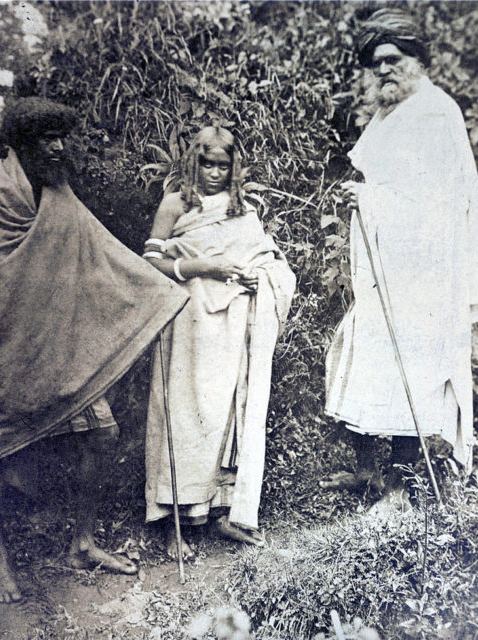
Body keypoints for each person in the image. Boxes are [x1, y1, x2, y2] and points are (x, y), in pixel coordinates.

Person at [0, 97, 188, 602]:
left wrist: (155, 295)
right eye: (46, 138)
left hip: (63, 342)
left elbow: (100, 250)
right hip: (5, 344)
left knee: (103, 434)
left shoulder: (58, 190)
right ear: (20, 144)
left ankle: (82, 542)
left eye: (60, 136)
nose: (58, 146)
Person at [321, 9, 478, 511]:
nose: (384, 71)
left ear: (418, 60)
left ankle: (397, 489)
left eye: (393, 60)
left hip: (425, 272)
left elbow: (438, 207)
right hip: (388, 267)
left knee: (409, 371)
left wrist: (371, 202)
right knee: (363, 355)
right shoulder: (392, 110)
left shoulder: (436, 114)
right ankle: (366, 471)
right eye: (375, 64)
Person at [143, 126, 296, 557]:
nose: (213, 173)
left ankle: (220, 511)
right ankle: (175, 523)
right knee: (186, 411)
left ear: (234, 168)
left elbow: (266, 258)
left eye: (222, 165)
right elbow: (151, 260)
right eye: (206, 164)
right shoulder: (175, 204)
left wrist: (257, 277)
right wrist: (206, 266)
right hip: (189, 322)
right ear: (193, 162)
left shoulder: (243, 209)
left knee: (226, 412)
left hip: (235, 324)